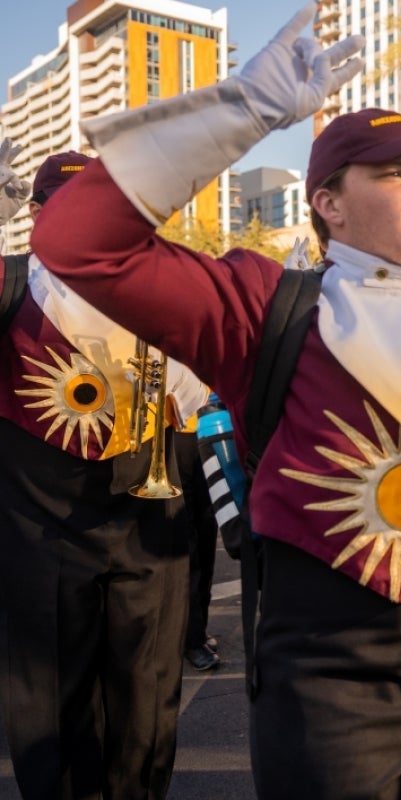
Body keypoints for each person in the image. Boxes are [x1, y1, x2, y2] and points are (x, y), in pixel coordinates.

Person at [33, 9, 401, 798]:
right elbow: (78, 242)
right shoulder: (263, 303)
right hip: (327, 675)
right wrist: (245, 108)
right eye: (389, 171)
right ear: (328, 205)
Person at [0, 147, 207, 798]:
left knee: (145, 695)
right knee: (52, 703)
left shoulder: (162, 286)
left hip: (148, 517)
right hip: (41, 533)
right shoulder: (10, 284)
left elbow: (205, 387)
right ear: (37, 215)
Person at [176, 424, 222, 670]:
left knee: (206, 536)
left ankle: (198, 629)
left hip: (206, 429)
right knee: (186, 542)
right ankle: (190, 638)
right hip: (170, 432)